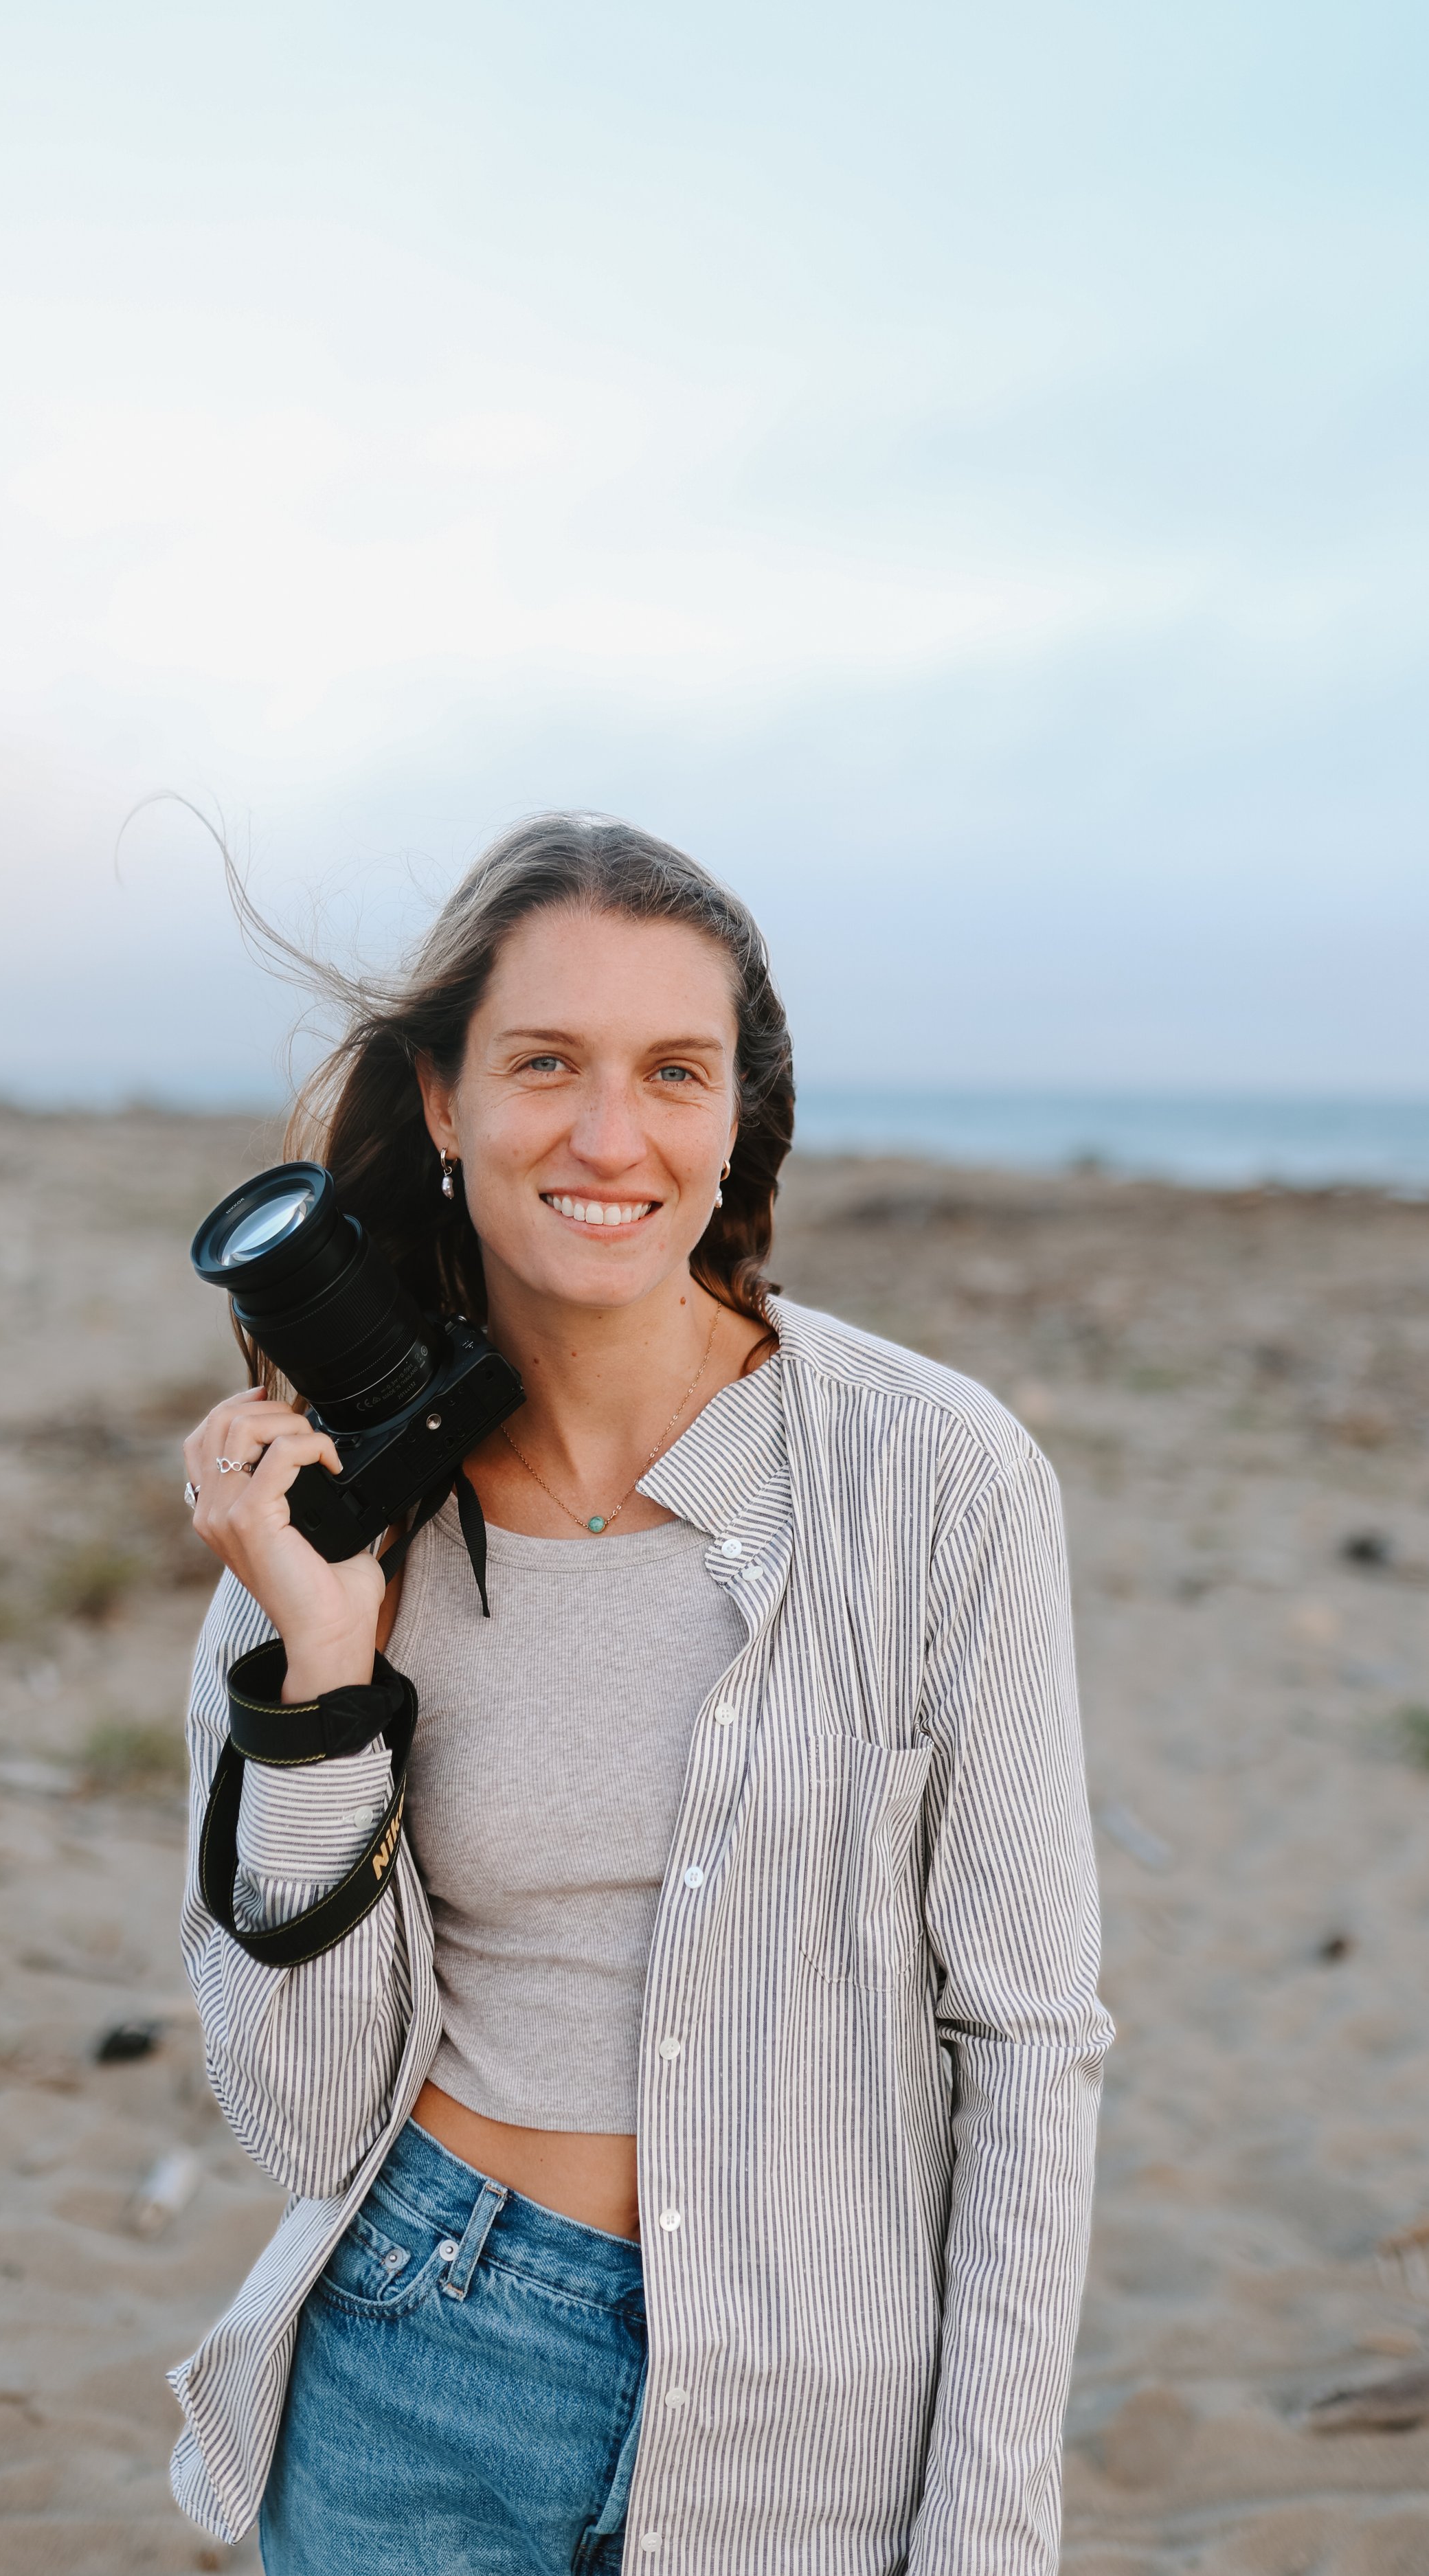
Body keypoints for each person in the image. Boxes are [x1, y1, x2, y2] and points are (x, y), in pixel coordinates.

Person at [167, 813, 1113, 2575]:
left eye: (673, 1070)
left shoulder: (938, 1478)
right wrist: (322, 1666)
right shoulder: (314, 1541)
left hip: (812, 2390)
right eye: (543, 1064)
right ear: (442, 1106)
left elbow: (1027, 2047)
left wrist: (987, 2535)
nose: (610, 1137)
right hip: (414, 2350)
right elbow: (301, 2116)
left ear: (738, 1113)